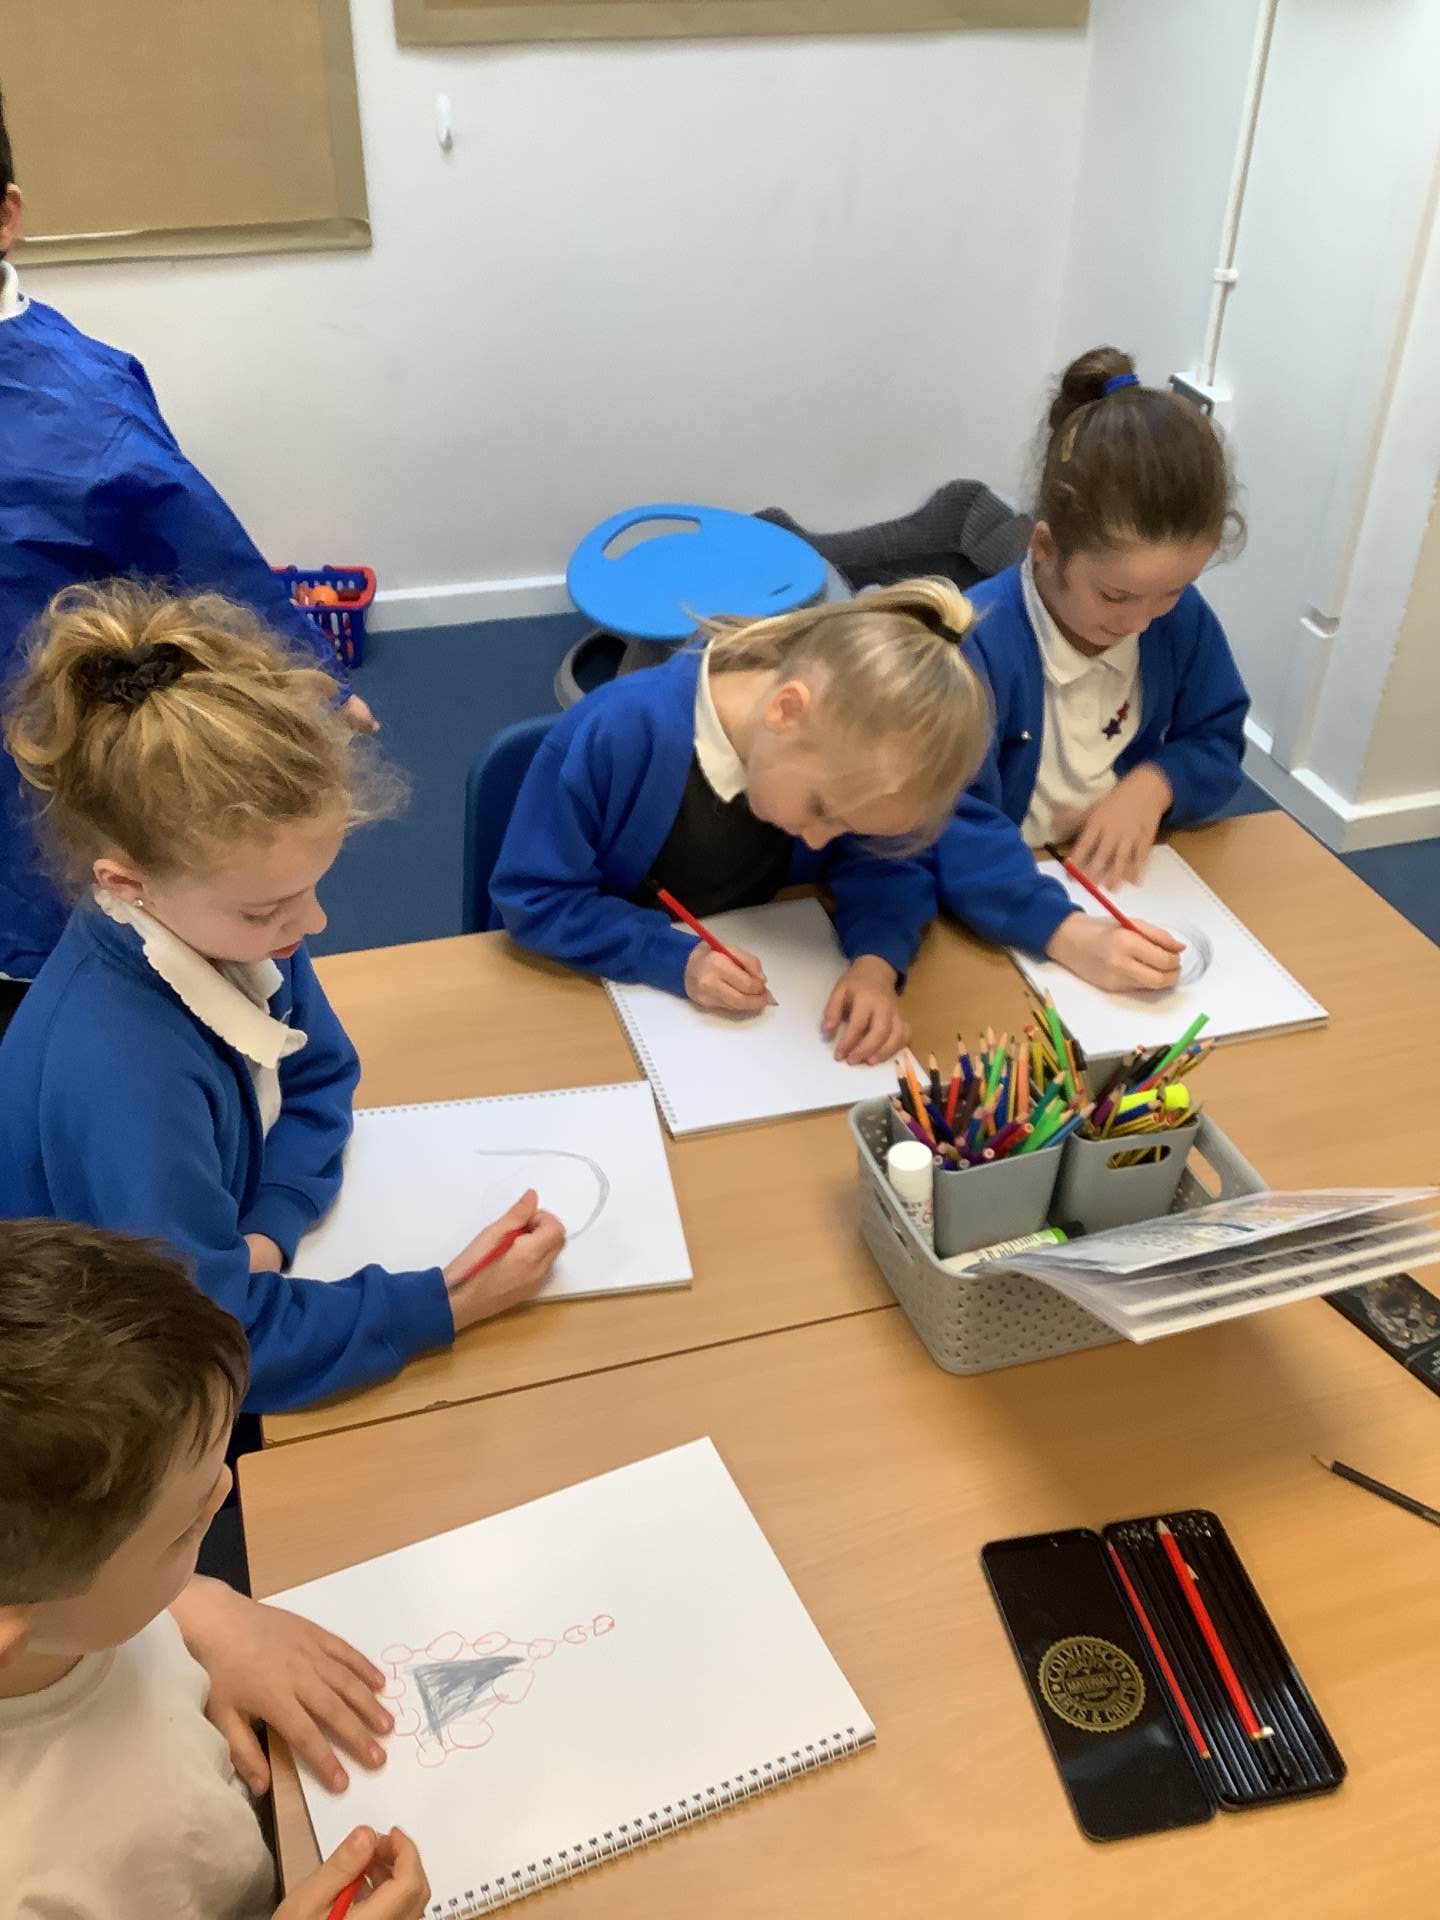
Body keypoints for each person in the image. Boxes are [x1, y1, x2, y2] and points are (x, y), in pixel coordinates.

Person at [0, 582, 564, 1413]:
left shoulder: (230, 928)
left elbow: (319, 1077)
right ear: (126, 883)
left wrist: (271, 1223)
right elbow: (203, 1345)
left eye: (312, 887)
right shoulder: (120, 1077)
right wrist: (447, 1303)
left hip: (199, 1261)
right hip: (93, 1385)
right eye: (268, 908)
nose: (313, 924)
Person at [0, 89, 376, 1031]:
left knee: (90, 953)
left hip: (43, 737)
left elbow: (201, 560)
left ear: (5, 218)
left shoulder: (83, 405)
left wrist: (308, 688)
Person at [0, 1217, 431, 1920]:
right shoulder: (29, 1882)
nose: (227, 1492)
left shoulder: (53, 1609)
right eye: (183, 1530)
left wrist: (201, 1610)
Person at [491, 580, 992, 1066]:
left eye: (848, 827)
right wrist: (673, 957)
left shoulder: (836, 759)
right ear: (785, 711)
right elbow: (537, 897)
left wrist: (876, 964)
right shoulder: (621, 734)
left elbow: (887, 864)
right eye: (822, 810)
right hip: (587, 1008)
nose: (822, 840)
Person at [933, 346, 1250, 992]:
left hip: (1113, 884)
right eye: (1115, 596)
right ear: (1046, 549)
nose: (1142, 621)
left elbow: (1218, 739)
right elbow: (945, 823)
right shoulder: (975, 646)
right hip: (1001, 913)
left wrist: (1156, 783)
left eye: (1172, 590)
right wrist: (1063, 933)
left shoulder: (1180, 621)